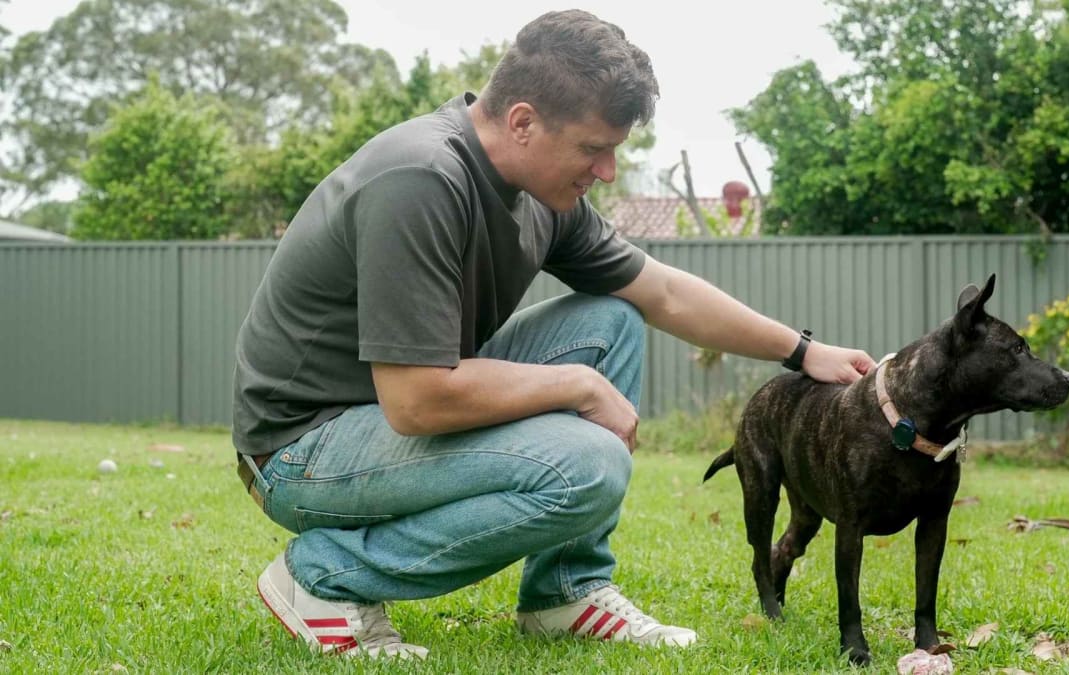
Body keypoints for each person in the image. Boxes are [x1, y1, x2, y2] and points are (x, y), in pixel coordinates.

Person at [232, 9, 874, 660]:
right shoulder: (421, 178)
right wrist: (576, 384)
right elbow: (416, 399)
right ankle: (324, 577)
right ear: (522, 122)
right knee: (589, 465)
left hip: (384, 415)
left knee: (612, 319)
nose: (607, 171)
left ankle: (564, 590)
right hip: (300, 448)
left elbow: (665, 293)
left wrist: (802, 349)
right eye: (595, 148)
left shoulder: (540, 194)